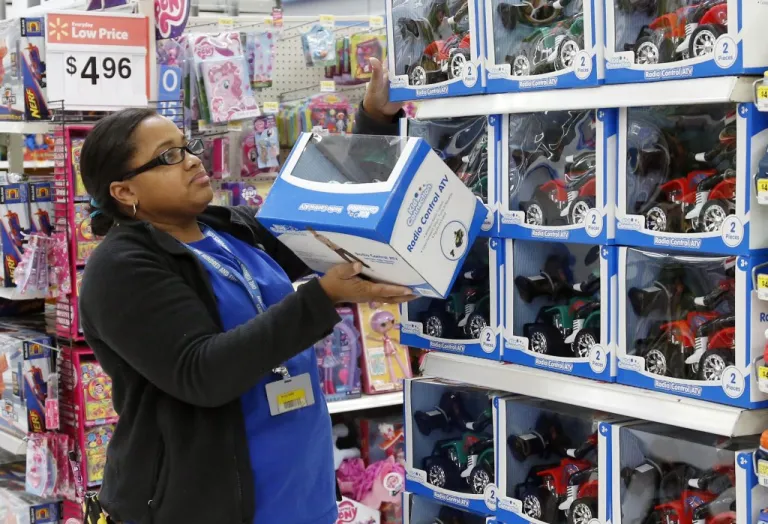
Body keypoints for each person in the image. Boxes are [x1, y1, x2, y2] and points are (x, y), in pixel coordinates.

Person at [78, 57, 407, 524]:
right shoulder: (121, 268)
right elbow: (201, 372)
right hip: (209, 507)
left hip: (303, 495)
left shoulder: (228, 229)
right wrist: (323, 298)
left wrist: (375, 119)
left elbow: (331, 220)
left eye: (186, 146)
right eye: (169, 157)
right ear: (124, 191)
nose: (192, 160)